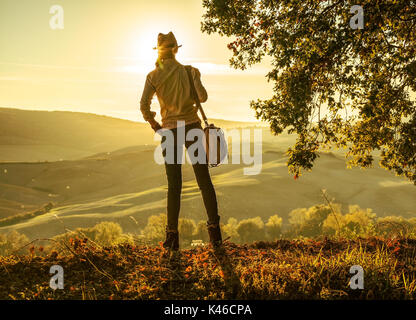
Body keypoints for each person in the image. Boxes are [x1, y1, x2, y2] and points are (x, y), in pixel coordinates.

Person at [140, 32, 222, 251]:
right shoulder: (190, 71)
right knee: (204, 180)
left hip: (169, 131)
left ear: (159, 52)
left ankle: (172, 237)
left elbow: (144, 107)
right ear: (176, 49)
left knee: (174, 185)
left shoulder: (152, 76)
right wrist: (195, 80)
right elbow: (202, 98)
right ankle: (215, 234)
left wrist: (155, 125)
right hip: (192, 127)